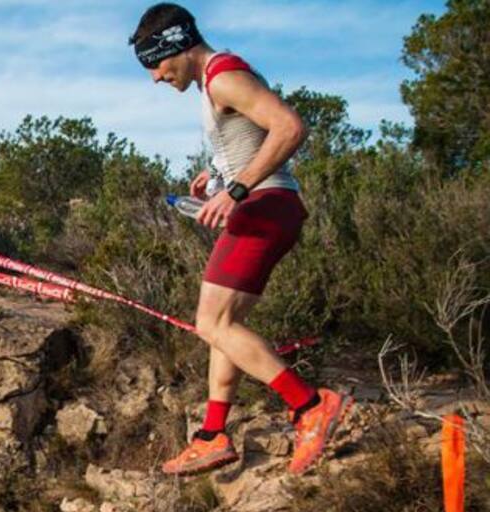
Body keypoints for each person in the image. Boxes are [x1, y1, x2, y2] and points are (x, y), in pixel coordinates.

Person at [127, 3, 352, 476]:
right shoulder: (218, 79)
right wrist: (219, 175)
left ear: (177, 48)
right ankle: (213, 435)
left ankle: (309, 406)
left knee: (211, 323)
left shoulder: (224, 77)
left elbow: (291, 127)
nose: (155, 78)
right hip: (266, 207)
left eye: (156, 65)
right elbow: (253, 136)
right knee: (222, 327)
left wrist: (237, 188)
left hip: (265, 209)